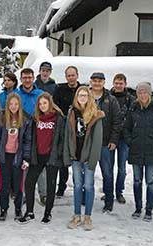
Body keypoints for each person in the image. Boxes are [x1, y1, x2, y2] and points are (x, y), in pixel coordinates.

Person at [17, 92, 64, 224]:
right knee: (29, 183)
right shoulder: (36, 119)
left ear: (50, 103)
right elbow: (31, 137)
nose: (43, 106)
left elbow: (62, 138)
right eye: (40, 104)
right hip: (37, 156)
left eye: (45, 103)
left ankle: (48, 213)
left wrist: (58, 153)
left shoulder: (58, 118)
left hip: (52, 156)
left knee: (50, 185)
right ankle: (29, 212)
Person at [124, 82, 153, 222]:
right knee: (137, 181)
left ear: (149, 94)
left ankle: (148, 209)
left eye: (145, 92)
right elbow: (126, 127)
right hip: (136, 149)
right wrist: (131, 140)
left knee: (150, 181)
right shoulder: (133, 108)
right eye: (140, 93)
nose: (142, 95)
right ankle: (138, 207)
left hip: (152, 150)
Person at [65, 87, 104, 231]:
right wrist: (67, 153)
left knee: (88, 185)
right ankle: (76, 215)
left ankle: (87, 216)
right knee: (76, 185)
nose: (82, 97)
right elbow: (68, 134)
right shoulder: (72, 112)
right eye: (80, 95)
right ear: (76, 97)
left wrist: (93, 159)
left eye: (85, 95)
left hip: (88, 156)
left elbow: (97, 139)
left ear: (89, 97)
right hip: (76, 155)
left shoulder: (95, 114)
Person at [0, 93, 32, 221]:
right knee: (5, 184)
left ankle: (18, 209)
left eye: (16, 104)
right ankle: (3, 209)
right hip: (5, 156)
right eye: (11, 104)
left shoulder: (25, 119)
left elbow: (27, 140)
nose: (13, 106)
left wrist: (26, 157)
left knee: (18, 185)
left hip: (18, 156)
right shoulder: (3, 118)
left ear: (19, 105)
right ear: (7, 105)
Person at [89, 72, 123, 212]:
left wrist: (114, 140)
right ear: (91, 81)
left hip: (105, 142)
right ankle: (86, 197)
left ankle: (109, 200)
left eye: (100, 81)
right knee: (87, 172)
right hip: (88, 142)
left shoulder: (111, 99)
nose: (97, 83)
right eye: (94, 81)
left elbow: (117, 121)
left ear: (104, 82)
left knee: (107, 173)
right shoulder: (85, 96)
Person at [16, 68, 47, 206]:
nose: (27, 80)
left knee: (40, 165)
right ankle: (23, 193)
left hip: (39, 133)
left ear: (34, 78)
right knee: (24, 164)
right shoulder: (16, 94)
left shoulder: (41, 94)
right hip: (22, 133)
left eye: (29, 77)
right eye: (24, 77)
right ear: (21, 79)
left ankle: (43, 193)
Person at [53, 66, 83, 198]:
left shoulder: (82, 90)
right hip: (64, 126)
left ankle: (81, 188)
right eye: (68, 75)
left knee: (79, 158)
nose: (71, 77)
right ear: (66, 77)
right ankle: (62, 186)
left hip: (79, 128)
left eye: (73, 75)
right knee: (63, 158)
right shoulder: (60, 90)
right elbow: (54, 106)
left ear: (77, 75)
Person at [109, 73, 135, 206]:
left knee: (122, 168)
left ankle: (119, 191)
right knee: (108, 167)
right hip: (110, 137)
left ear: (125, 84)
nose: (118, 86)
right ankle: (109, 192)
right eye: (116, 83)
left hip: (124, 138)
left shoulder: (130, 99)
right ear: (113, 83)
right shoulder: (107, 96)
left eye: (121, 83)